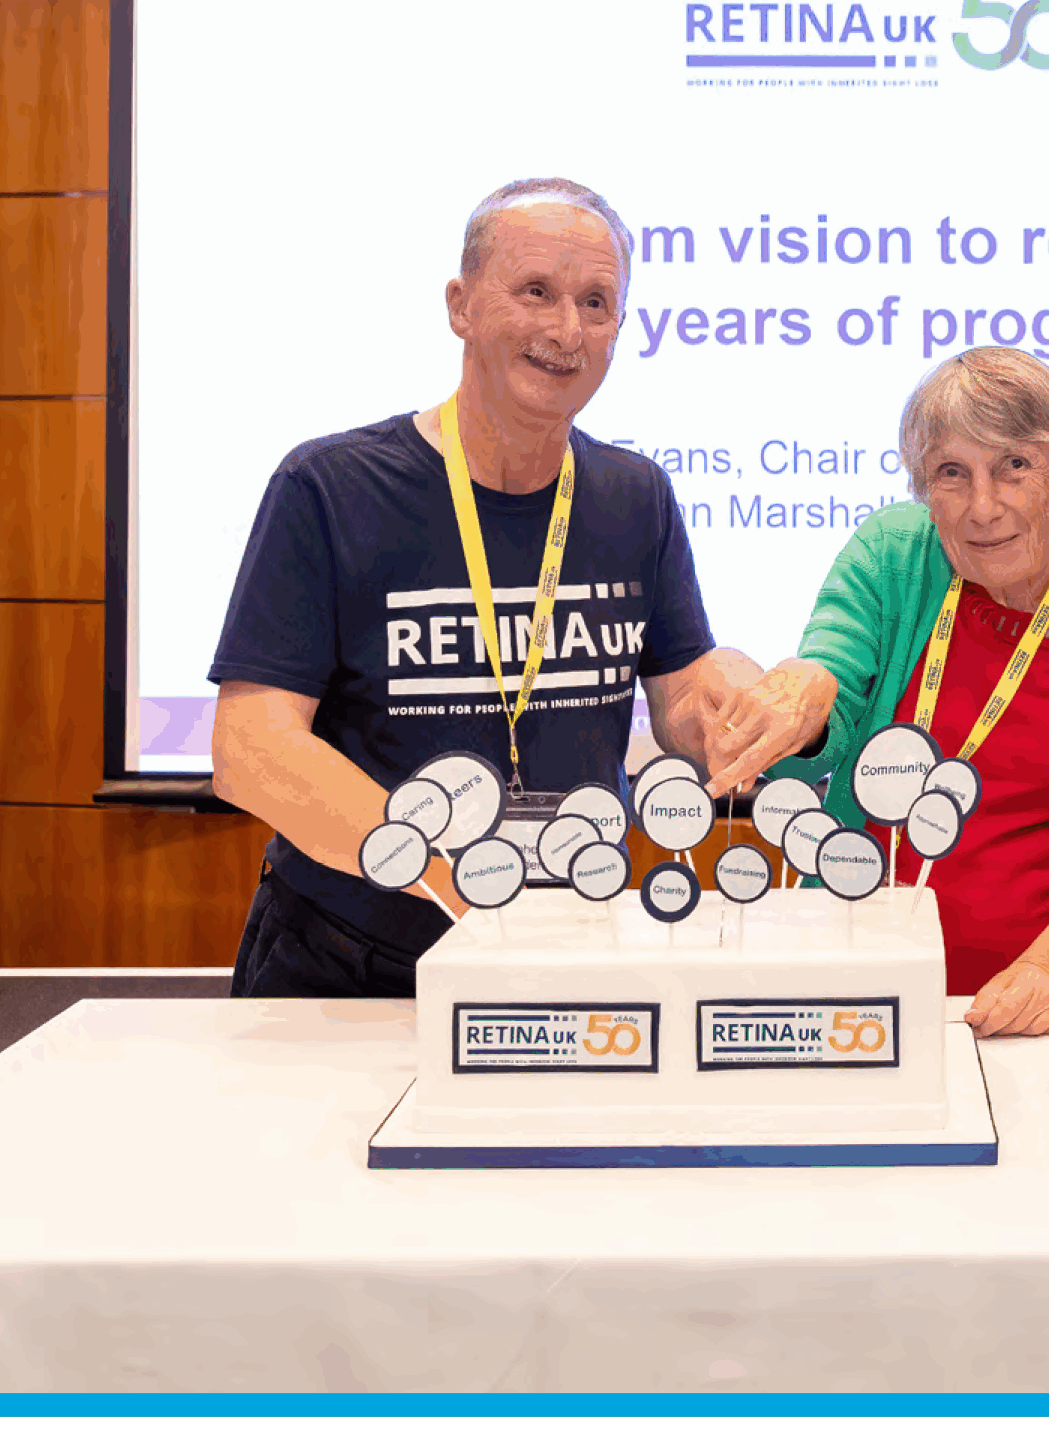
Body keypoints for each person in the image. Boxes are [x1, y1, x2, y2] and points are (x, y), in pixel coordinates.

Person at [209, 177, 759, 998]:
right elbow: (251, 751)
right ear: (460, 305)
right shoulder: (330, 486)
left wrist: (734, 701)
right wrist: (447, 876)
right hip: (349, 962)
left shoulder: (633, 496)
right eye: (535, 292)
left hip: (564, 958)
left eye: (597, 302)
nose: (566, 330)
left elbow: (681, 701)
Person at [704, 348, 1049, 1037]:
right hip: (858, 992)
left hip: (1048, 997)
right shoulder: (891, 552)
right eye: (951, 473)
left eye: (1015, 466)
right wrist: (804, 698)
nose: (982, 507)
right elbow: (833, 679)